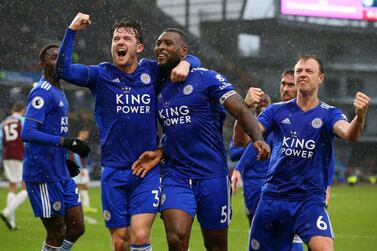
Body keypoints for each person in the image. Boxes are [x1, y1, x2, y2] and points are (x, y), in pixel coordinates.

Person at [55, 12, 201, 251]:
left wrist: (186, 62)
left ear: (140, 47)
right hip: (113, 171)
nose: (120, 42)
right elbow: (63, 70)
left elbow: (193, 61)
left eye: (126, 38)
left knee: (140, 235)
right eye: (116, 39)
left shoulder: (153, 71)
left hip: (146, 171)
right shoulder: (100, 75)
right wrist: (71, 30)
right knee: (120, 242)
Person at [132, 27, 270, 251]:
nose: (160, 47)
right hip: (176, 174)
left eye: (168, 43)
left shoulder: (207, 78)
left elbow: (241, 110)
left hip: (212, 176)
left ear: (183, 51)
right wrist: (162, 151)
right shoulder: (157, 85)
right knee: (176, 238)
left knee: (215, 245)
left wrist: (257, 138)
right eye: (158, 43)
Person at [233, 55, 370, 251]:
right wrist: (244, 109)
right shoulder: (275, 111)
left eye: (309, 71)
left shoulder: (329, 113)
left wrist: (360, 116)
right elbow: (242, 140)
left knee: (324, 248)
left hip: (309, 201)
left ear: (321, 78)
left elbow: (349, 134)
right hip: (273, 199)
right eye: (299, 71)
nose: (302, 74)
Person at [21, 44, 90, 251]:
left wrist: (64, 159)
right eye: (52, 57)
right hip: (42, 173)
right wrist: (65, 142)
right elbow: (28, 132)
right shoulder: (42, 92)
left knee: (77, 227)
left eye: (60, 57)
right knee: (56, 232)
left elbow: (51, 131)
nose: (57, 61)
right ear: (42, 65)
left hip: (58, 169)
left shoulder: (59, 90)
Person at [231, 70, 305, 251]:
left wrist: (325, 184)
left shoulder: (313, 116)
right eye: (283, 84)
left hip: (299, 189)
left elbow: (324, 152)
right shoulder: (274, 116)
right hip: (259, 187)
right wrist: (245, 108)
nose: (285, 89)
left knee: (301, 239)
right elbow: (242, 143)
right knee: (266, 238)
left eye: (290, 85)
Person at [0, 102, 28, 230]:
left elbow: (0, 141)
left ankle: (11, 222)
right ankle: (6, 211)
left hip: (7, 156)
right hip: (20, 156)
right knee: (25, 188)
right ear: (23, 110)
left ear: (12, 110)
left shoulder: (4, 123)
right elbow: (27, 138)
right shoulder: (23, 121)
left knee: (12, 186)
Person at [70, 127, 97, 213]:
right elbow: (75, 156)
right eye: (86, 134)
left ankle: (82, 205)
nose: (87, 136)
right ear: (81, 132)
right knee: (82, 186)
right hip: (79, 168)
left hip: (78, 167)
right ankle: (83, 206)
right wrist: (80, 169)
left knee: (80, 186)